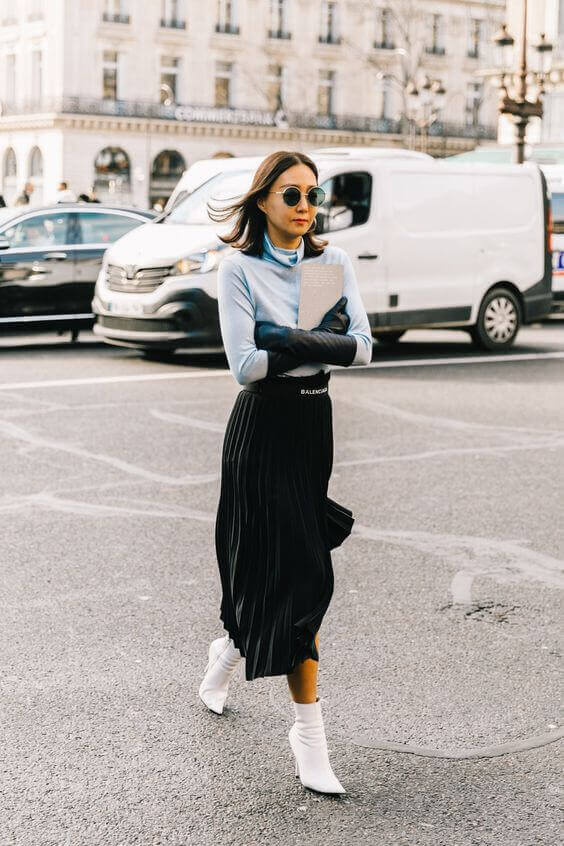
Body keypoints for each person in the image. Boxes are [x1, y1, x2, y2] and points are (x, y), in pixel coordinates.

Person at [198, 151, 372, 795]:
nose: (305, 206)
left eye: (313, 195)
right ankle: (309, 736)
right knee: (294, 575)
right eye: (292, 194)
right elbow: (244, 366)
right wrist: (315, 340)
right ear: (263, 200)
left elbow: (361, 349)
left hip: (311, 427)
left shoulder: (330, 263)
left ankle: (230, 649)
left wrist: (283, 336)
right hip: (262, 429)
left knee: (292, 569)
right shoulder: (239, 268)